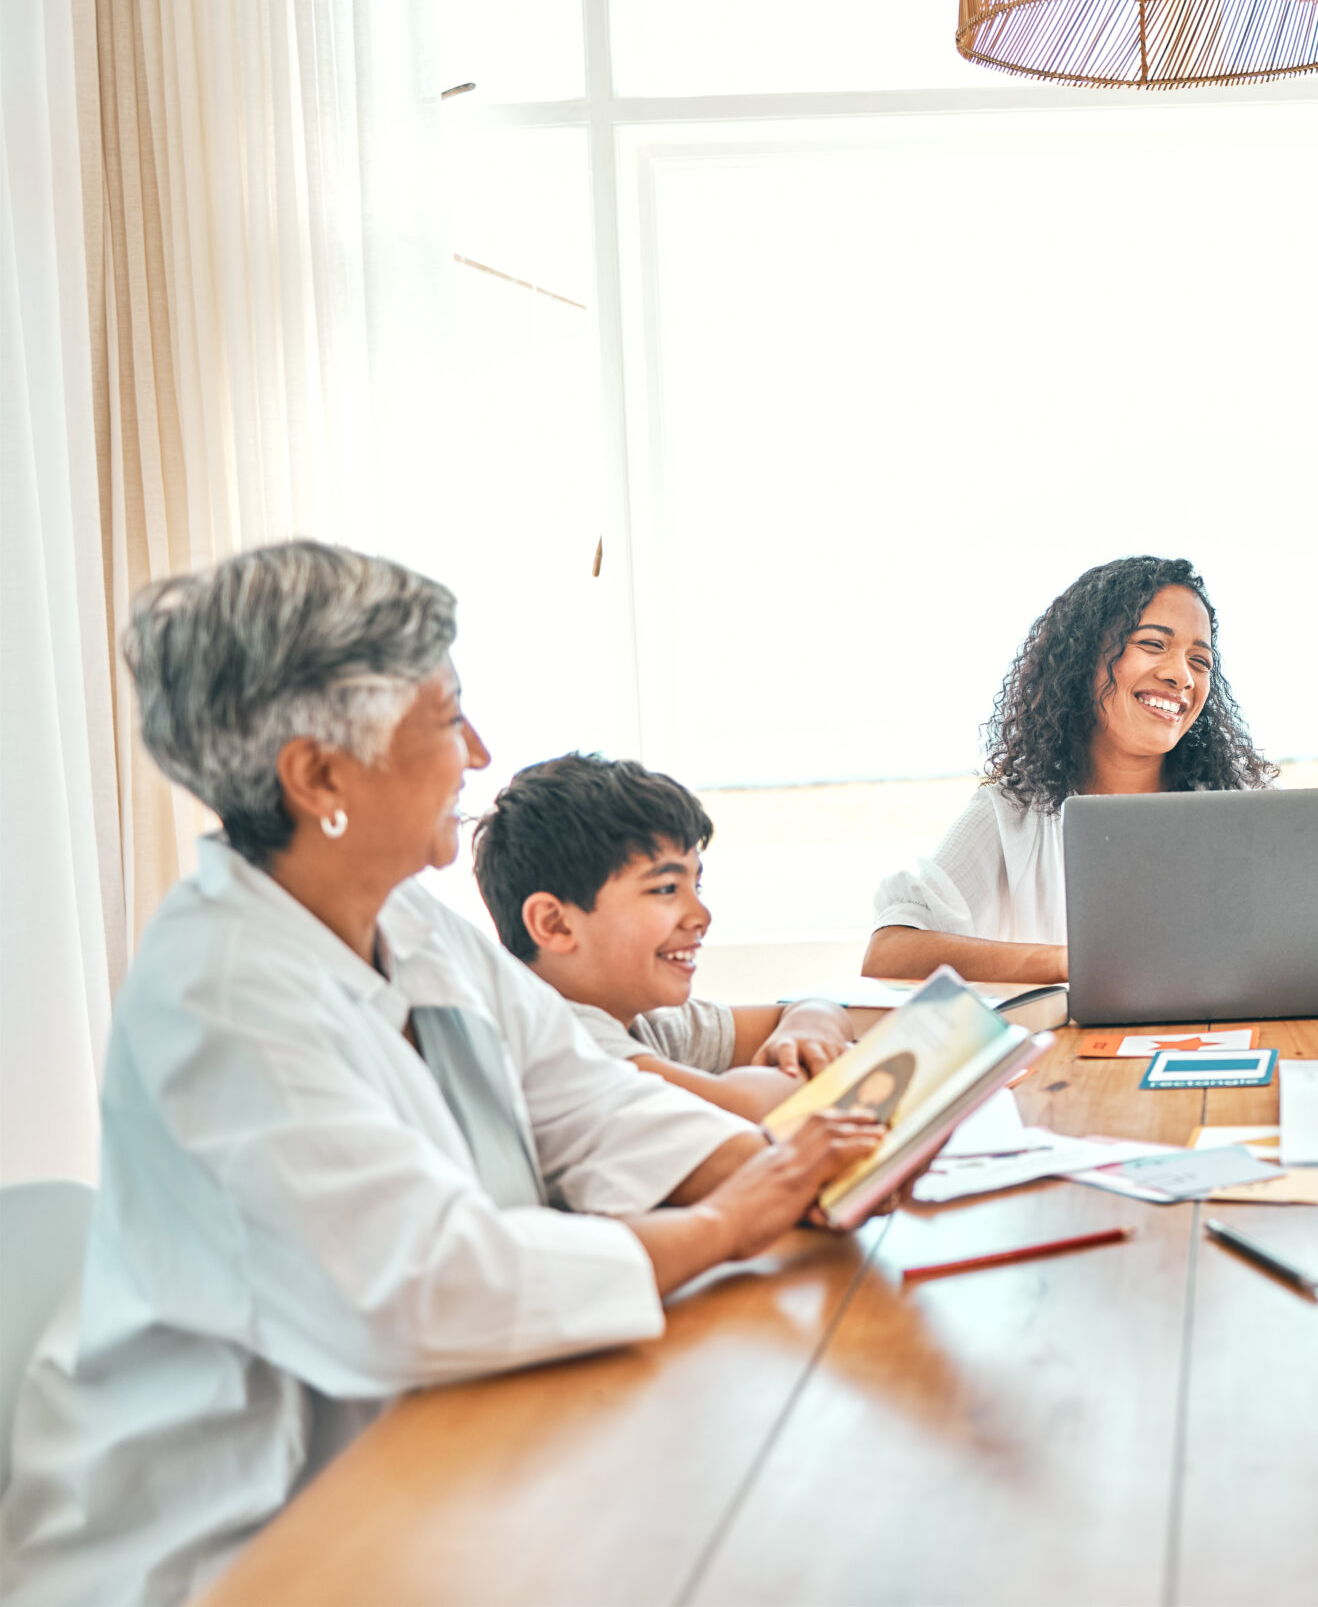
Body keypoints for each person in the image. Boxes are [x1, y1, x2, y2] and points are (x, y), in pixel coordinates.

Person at [0, 542, 884, 1606]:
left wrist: (805, 1179)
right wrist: (726, 1224)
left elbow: (593, 1106)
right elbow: (431, 1289)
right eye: (446, 715)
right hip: (225, 1544)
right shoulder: (221, 999)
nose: (477, 750)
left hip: (435, 1446)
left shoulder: (411, 925)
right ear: (319, 775)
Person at [863, 556, 1276, 984]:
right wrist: (1075, 962)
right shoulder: (1014, 815)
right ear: (1084, 659)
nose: (1182, 676)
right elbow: (889, 952)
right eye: (1153, 644)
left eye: (1200, 661)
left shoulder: (1246, 801)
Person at [471, 753, 865, 1120]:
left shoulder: (640, 1017)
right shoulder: (567, 1044)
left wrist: (807, 1029)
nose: (701, 916)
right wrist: (825, 1064)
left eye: (697, 886)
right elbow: (748, 1107)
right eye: (665, 889)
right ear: (554, 924)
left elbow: (811, 1009)